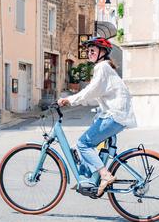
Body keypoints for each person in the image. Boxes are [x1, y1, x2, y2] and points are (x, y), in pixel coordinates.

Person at [57, 37, 137, 196]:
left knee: (83, 144)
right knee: (87, 143)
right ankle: (88, 179)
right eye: (88, 51)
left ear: (102, 52)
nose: (89, 53)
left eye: (92, 50)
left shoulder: (102, 67)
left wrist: (69, 100)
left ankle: (105, 175)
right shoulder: (105, 68)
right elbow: (95, 96)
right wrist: (76, 101)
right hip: (117, 115)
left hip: (114, 116)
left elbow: (90, 91)